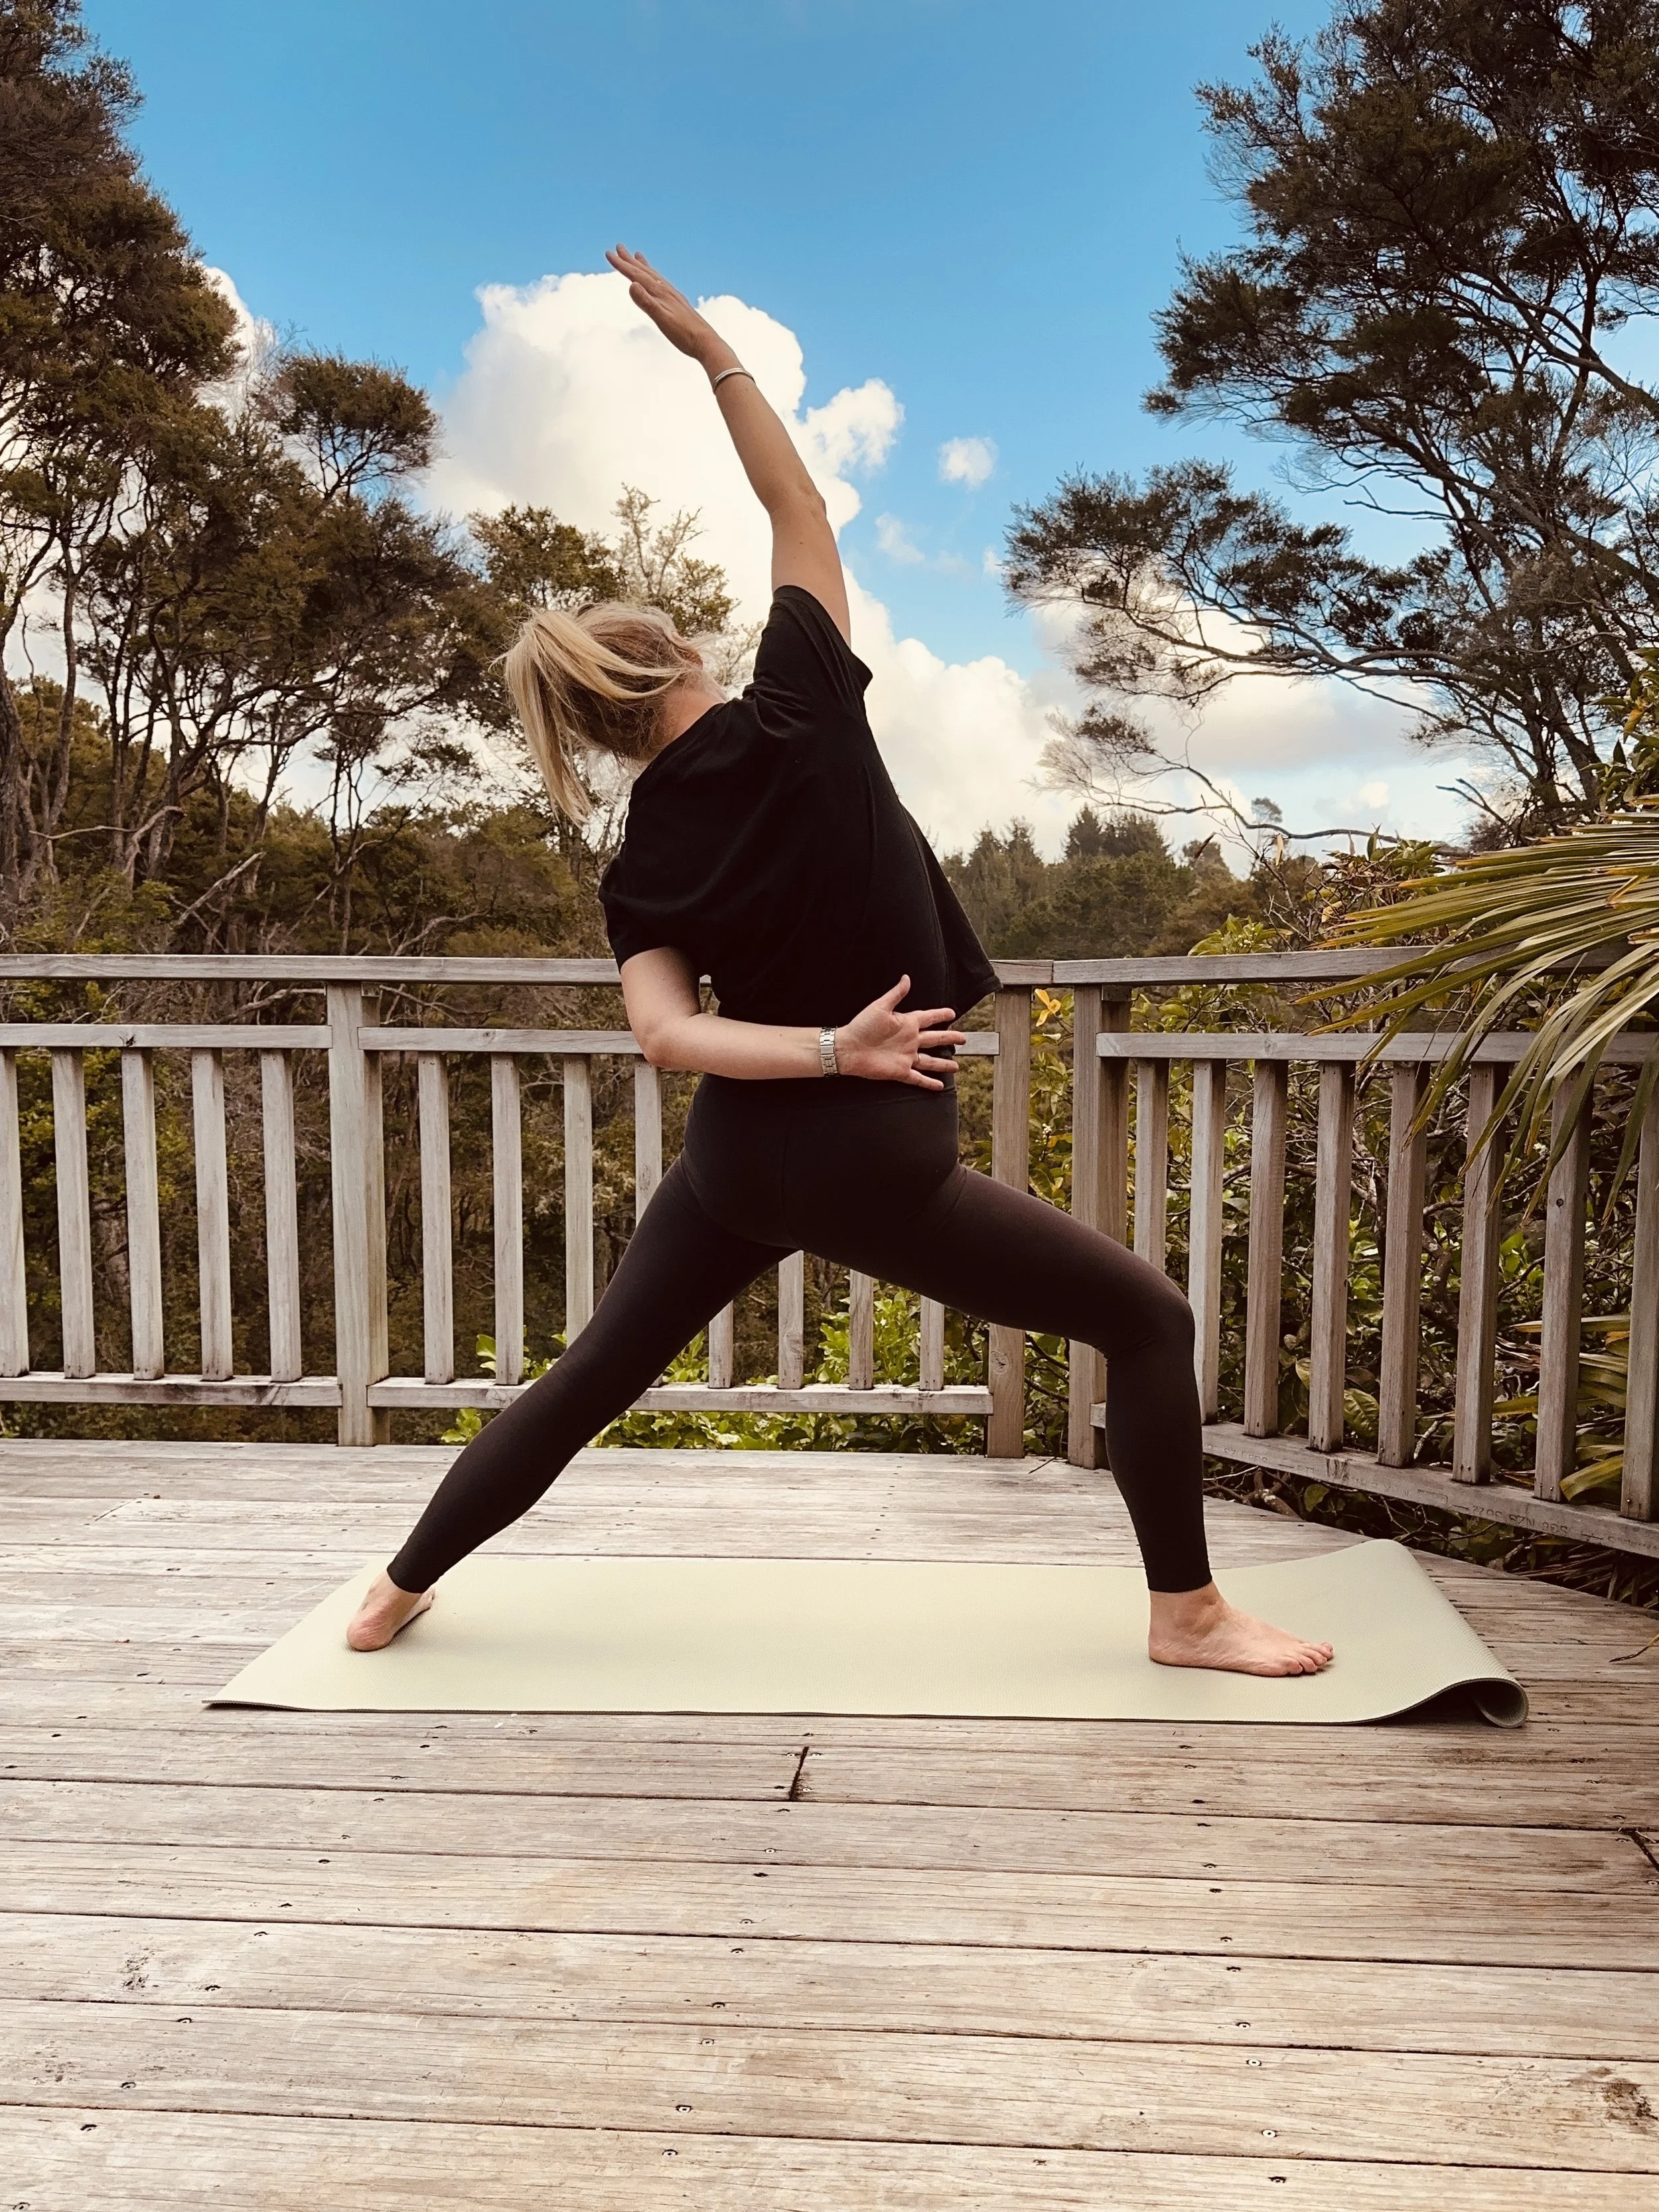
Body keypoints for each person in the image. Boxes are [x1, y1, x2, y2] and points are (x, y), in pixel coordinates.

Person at [346, 246, 1334, 1679]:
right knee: (1146, 1318)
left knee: (592, 1376)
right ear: (676, 648)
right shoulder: (801, 705)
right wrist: (708, 351)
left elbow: (669, 1040)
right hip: (875, 1151)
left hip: (739, 1157)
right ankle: (1185, 1615)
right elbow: (793, 502)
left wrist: (803, 1052)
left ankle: (390, 1590)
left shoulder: (639, 858)